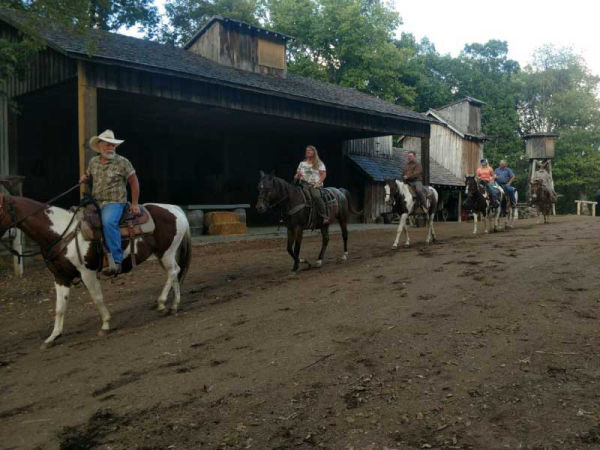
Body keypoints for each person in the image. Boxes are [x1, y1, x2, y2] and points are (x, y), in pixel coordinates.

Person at [80, 130, 140, 276]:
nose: (111, 148)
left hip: (115, 202)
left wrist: (134, 203)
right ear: (100, 146)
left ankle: (116, 261)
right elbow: (89, 175)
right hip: (96, 202)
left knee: (108, 222)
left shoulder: (123, 162)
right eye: (108, 145)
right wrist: (84, 177)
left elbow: (134, 182)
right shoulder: (93, 162)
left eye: (113, 145)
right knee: (79, 219)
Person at [295, 145, 329, 224]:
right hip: (302, 185)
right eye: (307, 150)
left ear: (314, 152)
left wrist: (318, 183)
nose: (308, 151)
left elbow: (323, 174)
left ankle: (324, 216)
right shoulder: (302, 163)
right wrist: (297, 175)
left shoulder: (319, 163)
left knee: (316, 196)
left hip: (313, 185)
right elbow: (297, 174)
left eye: (310, 150)